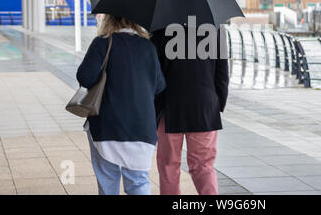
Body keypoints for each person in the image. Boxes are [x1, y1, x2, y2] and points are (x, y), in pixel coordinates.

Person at [76, 15, 166, 195]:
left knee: (108, 182)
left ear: (109, 20)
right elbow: (160, 86)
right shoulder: (148, 47)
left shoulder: (102, 43)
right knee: (139, 183)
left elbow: (85, 77)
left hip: (106, 127)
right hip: (141, 129)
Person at [152, 26, 229, 195]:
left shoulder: (160, 29)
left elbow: (154, 74)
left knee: (168, 166)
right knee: (204, 165)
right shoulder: (215, 29)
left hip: (170, 107)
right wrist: (218, 104)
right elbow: (222, 73)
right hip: (204, 107)